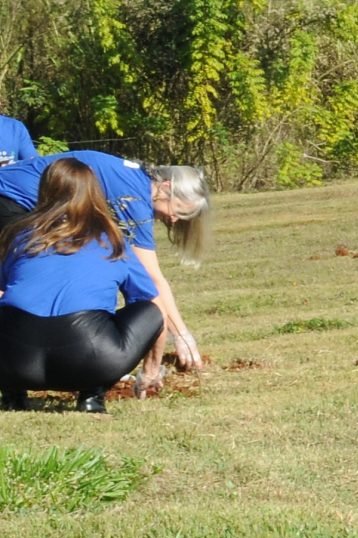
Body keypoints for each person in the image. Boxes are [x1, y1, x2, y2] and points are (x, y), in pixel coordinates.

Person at [0, 149, 210, 382]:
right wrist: (181, 336)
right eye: (178, 211)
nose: (174, 220)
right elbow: (152, 278)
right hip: (10, 200)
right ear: (165, 188)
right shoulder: (135, 199)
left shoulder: (134, 180)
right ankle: (64, 356)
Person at [0, 155, 164, 412]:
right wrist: (152, 369)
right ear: (94, 192)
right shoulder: (112, 239)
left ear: (43, 190)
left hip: (16, 362)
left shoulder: (18, 235)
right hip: (91, 360)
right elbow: (149, 302)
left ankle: (13, 394)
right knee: (151, 310)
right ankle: (91, 396)